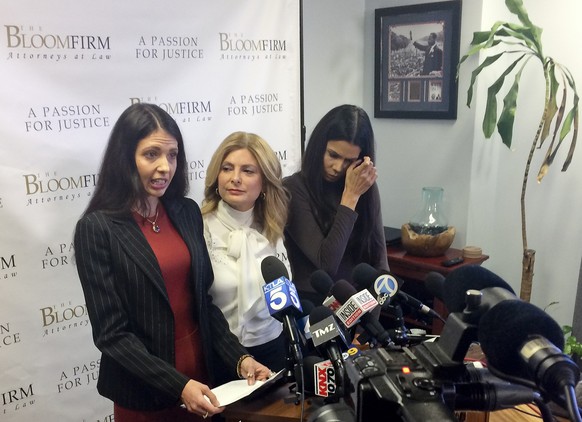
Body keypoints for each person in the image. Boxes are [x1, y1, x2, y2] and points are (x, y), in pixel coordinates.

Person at [73, 103, 271, 422]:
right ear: (125, 158)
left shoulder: (186, 212)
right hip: (146, 394)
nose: (165, 166)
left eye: (172, 155)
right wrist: (179, 386)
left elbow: (203, 305)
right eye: (151, 154)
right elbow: (112, 334)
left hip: (205, 383)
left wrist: (240, 359)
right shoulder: (97, 229)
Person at [201, 131, 291, 376]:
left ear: (264, 181)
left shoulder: (272, 226)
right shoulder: (200, 227)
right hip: (223, 355)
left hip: (274, 348)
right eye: (227, 168)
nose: (235, 178)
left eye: (248, 171)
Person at [283, 104, 389, 306]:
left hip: (359, 304)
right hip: (314, 307)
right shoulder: (293, 189)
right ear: (318, 147)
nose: (338, 167)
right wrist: (350, 196)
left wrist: (370, 324)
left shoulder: (365, 189)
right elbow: (326, 265)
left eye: (349, 161)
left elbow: (381, 264)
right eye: (332, 155)